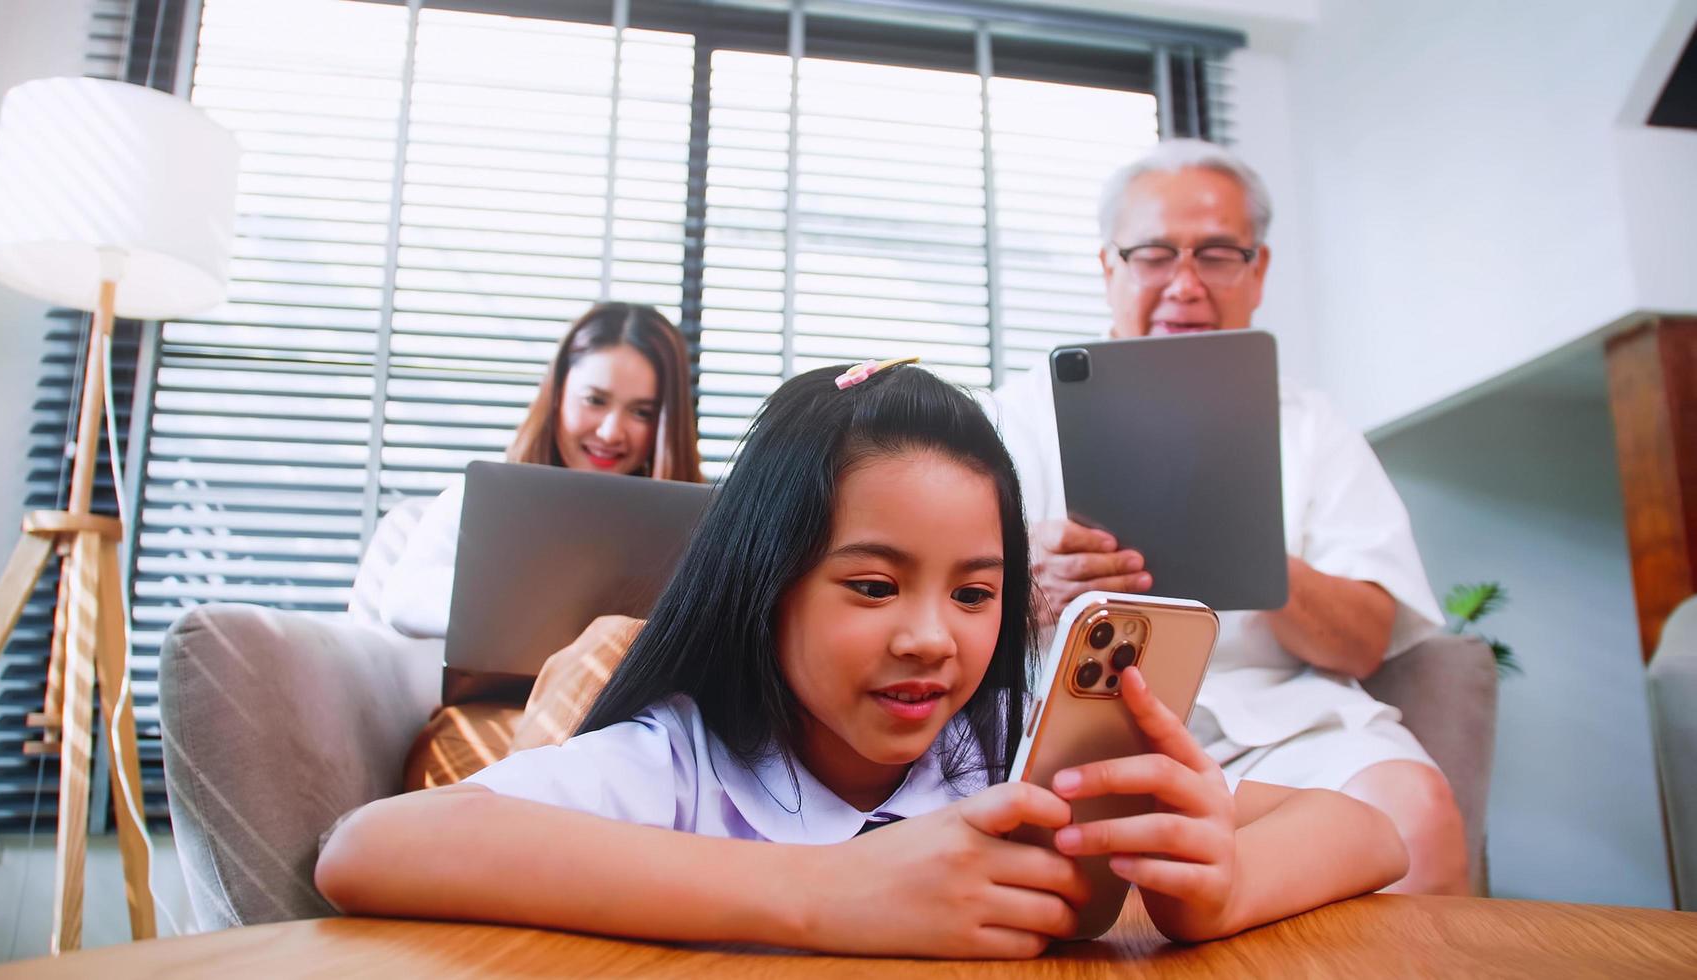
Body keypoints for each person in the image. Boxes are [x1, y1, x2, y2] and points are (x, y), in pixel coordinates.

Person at [317, 362, 1408, 956]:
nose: (931, 636)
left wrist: (1220, 883)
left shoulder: (1002, 762)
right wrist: (822, 891)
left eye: (976, 591)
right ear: (766, 581)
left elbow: (1365, 823)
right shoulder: (689, 764)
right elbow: (369, 848)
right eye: (872, 584)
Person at [991, 138, 1469, 896]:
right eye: (1154, 253)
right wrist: (1023, 584)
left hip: (1279, 732)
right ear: (1108, 267)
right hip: (1068, 727)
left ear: (1259, 271)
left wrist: (1252, 555)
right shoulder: (1008, 420)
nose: (1185, 285)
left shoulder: (1312, 425)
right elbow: (932, 601)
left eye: (1217, 254)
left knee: (1416, 810)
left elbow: (1368, 638)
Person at [378, 301, 705, 638]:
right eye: (595, 400)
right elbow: (402, 602)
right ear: (558, 394)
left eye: (641, 413)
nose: (610, 432)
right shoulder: (483, 499)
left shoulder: (702, 526)